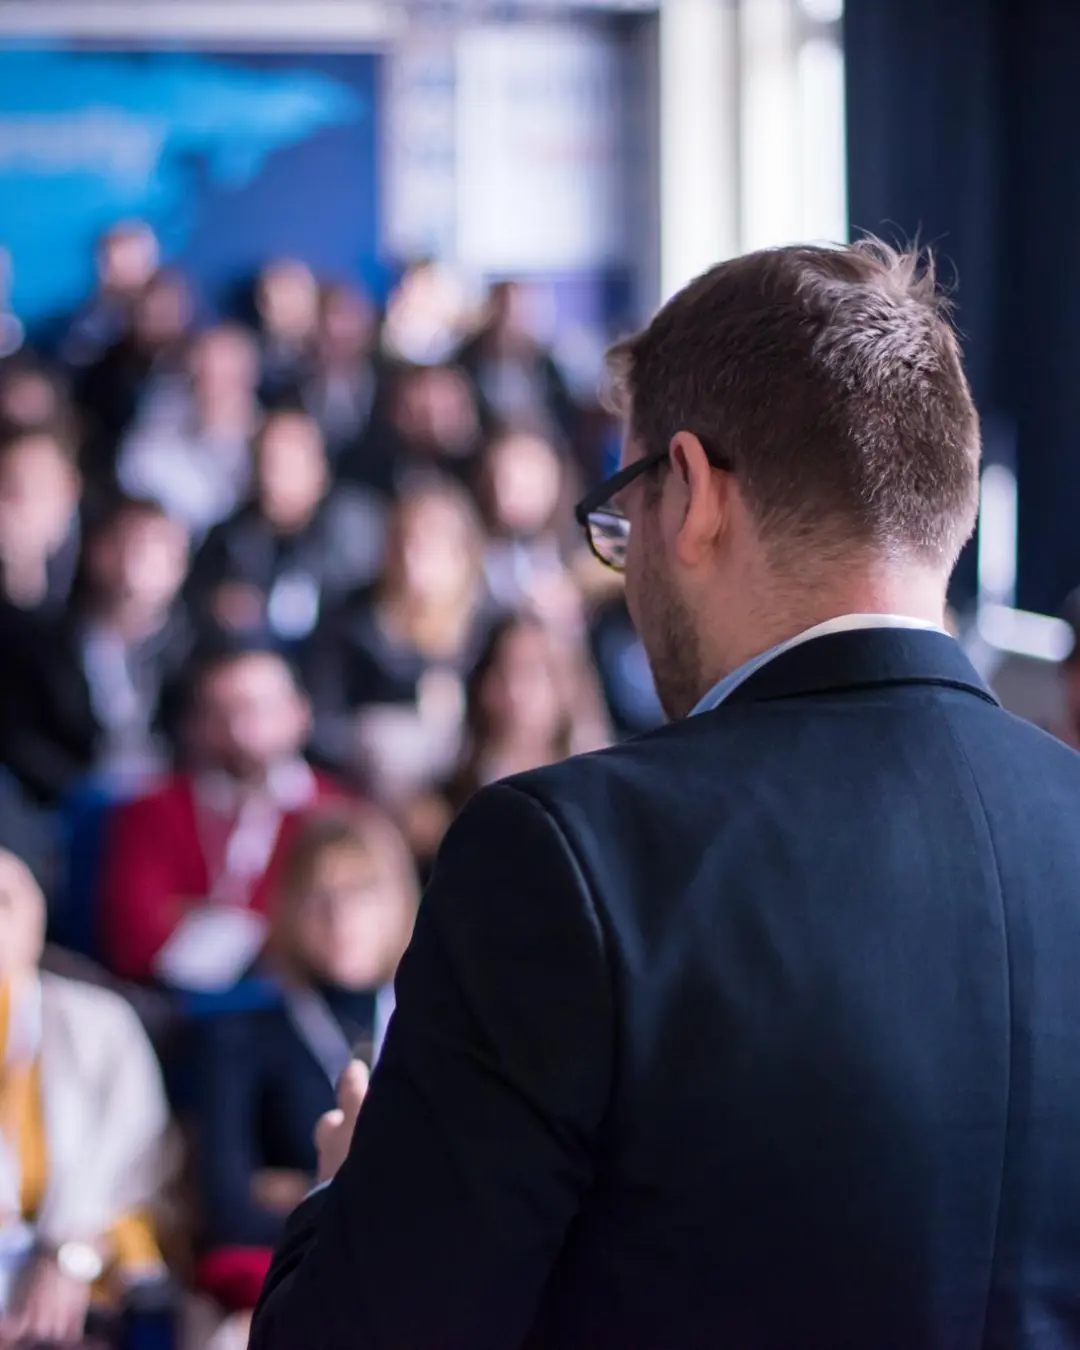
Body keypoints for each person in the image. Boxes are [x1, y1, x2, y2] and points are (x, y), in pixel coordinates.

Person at [252, 240, 1080, 1350]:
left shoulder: (564, 855)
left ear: (689, 493)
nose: (625, 560)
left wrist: (342, 1204)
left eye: (621, 511)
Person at [193, 808, 418, 1315]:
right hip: (304, 1286)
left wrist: (309, 1184)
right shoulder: (237, 1036)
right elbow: (229, 1213)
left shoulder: (432, 1026)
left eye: (361, 894)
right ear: (288, 908)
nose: (340, 918)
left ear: (399, 903)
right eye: (320, 896)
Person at [99, 642, 348, 991]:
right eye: (222, 713)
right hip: (176, 1010)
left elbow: (341, 939)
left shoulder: (338, 813)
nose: (241, 731)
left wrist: (194, 917)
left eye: (259, 710)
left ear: (299, 713)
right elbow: (134, 937)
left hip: (304, 1003)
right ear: (194, 725)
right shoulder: (152, 810)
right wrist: (273, 929)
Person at [0, 849, 172, 1347]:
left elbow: (139, 1167)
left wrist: (71, 1254)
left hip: (84, 1283)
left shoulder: (100, 1023)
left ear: (36, 924)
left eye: (4, 903)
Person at [306, 477, 495, 802]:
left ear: (464, 552)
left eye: (430, 542)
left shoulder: (489, 630)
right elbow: (323, 726)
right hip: (368, 791)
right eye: (404, 541)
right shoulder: (349, 624)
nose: (413, 557)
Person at [0, 494, 191, 810]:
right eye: (123, 545)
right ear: (94, 551)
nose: (134, 561)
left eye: (153, 551)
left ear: (179, 566)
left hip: (170, 809)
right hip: (63, 807)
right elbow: (21, 741)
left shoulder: (193, 651)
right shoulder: (42, 644)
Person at [404, 614, 608, 868]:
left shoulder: (592, 803)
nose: (513, 691)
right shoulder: (442, 807)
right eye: (501, 671)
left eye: (530, 674)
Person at [184, 408, 384, 648]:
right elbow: (198, 601)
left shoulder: (355, 528)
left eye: (289, 461)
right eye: (266, 459)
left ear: (320, 467)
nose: (273, 474)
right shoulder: (229, 537)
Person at [117, 323, 260, 538]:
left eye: (226, 375)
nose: (213, 384)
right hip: (154, 533)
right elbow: (131, 470)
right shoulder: (167, 406)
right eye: (205, 371)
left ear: (248, 379)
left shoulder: (265, 441)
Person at [454, 279, 578, 444]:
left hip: (543, 445)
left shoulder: (544, 362)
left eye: (519, 311)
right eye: (505, 309)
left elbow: (564, 412)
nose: (510, 319)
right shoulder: (467, 359)